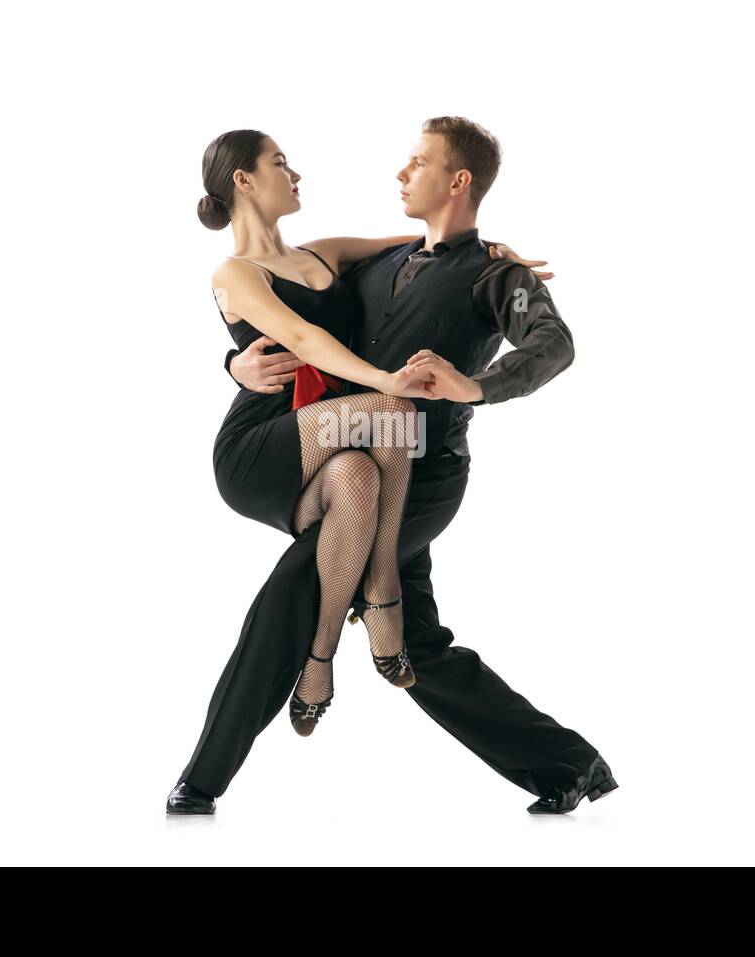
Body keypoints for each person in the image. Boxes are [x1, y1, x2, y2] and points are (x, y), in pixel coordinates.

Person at [169, 118, 617, 815]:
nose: (401, 174)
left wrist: (478, 384)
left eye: (417, 163)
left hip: (425, 474)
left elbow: (554, 345)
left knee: (300, 585)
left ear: (457, 180)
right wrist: (232, 362)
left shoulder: (497, 273)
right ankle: (568, 763)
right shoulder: (373, 262)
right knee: (417, 642)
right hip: (342, 455)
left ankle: (203, 780)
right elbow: (289, 327)